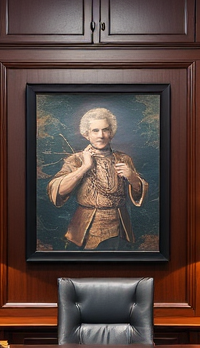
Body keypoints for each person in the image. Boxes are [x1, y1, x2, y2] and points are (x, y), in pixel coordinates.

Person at [47, 106, 149, 251]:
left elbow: (140, 194)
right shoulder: (75, 160)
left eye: (105, 130)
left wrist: (132, 178)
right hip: (85, 229)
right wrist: (85, 167)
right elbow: (56, 192)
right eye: (95, 130)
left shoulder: (123, 159)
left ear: (111, 133)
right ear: (86, 134)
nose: (101, 135)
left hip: (120, 228)